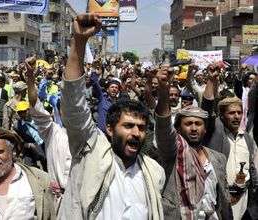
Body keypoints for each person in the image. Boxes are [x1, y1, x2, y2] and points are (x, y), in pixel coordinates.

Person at [58, 13, 165, 220]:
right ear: (109, 129)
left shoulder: (154, 173)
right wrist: (79, 42)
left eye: (141, 128)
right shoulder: (91, 153)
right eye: (128, 126)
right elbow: (73, 102)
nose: (136, 133)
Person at [155, 65, 232, 219]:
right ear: (178, 128)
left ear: (205, 128)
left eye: (198, 124)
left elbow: (223, 200)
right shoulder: (174, 152)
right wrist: (164, 89)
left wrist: (211, 80)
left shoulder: (218, 159)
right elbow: (163, 126)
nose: (194, 128)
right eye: (188, 124)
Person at [202, 63, 258, 220]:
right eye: (232, 113)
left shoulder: (246, 137)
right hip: (220, 202)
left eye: (239, 113)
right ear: (221, 116)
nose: (237, 116)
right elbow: (207, 110)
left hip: (245, 202)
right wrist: (212, 81)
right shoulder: (216, 132)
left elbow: (252, 169)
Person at [25, 56, 72, 212]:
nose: (71, 113)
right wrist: (30, 76)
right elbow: (34, 104)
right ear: (59, 112)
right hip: (57, 203)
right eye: (66, 109)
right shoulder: (53, 132)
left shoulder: (90, 136)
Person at [13, 101, 47, 169]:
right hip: (31, 150)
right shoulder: (17, 126)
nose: (22, 114)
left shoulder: (38, 118)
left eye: (24, 111)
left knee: (48, 168)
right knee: (29, 170)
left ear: (29, 110)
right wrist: (29, 145)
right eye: (20, 112)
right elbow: (19, 143)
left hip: (45, 145)